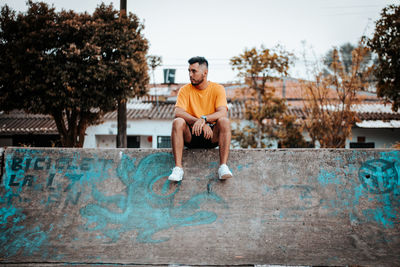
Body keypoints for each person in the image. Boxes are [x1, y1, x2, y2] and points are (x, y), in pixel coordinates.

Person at [168, 56, 233, 182]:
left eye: (194, 71)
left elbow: (222, 112)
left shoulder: (217, 88)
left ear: (205, 72)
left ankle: (223, 167)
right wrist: (199, 122)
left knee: (224, 121)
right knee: (178, 122)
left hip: (211, 136)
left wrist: (205, 119)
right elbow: (178, 112)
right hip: (191, 135)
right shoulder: (185, 90)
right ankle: (178, 168)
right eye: (189, 71)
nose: (190, 75)